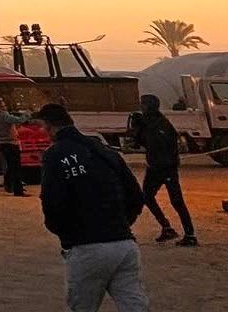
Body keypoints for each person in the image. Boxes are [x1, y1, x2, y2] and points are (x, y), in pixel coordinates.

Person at [38, 102, 149, 310]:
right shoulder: (105, 151)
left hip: (86, 246)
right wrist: (121, 223)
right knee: (135, 305)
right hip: (124, 244)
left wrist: (66, 234)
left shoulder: (55, 155)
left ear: (49, 126)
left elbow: (52, 203)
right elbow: (135, 195)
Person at [127, 95, 196, 247]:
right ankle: (167, 227)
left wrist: (139, 131)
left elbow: (154, 144)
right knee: (147, 197)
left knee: (176, 201)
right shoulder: (154, 122)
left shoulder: (159, 124)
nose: (141, 107)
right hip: (156, 167)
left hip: (165, 168)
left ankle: (189, 234)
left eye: (143, 104)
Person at [0, 97, 29, 196]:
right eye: (4, 105)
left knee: (10, 166)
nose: (5, 107)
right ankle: (17, 189)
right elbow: (19, 120)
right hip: (11, 143)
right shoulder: (4, 115)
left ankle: (9, 185)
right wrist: (27, 114)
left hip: (2, 143)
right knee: (15, 167)